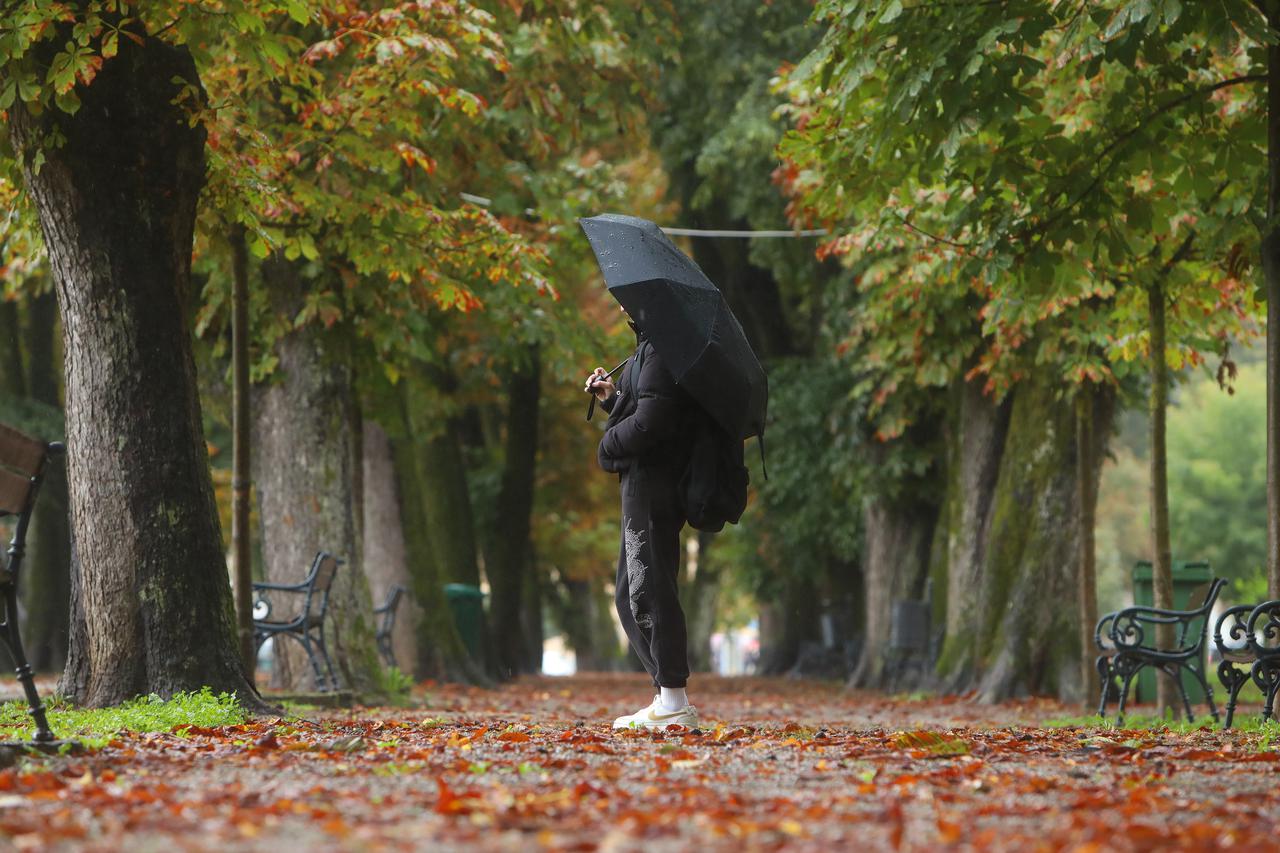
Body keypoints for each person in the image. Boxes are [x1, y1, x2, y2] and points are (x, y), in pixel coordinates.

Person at [585, 322, 698, 730]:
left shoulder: (663, 347)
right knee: (631, 592)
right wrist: (611, 398)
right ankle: (667, 697)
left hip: (653, 485)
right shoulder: (650, 346)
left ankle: (674, 701)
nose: (619, 305)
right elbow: (643, 407)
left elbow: (652, 421)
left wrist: (606, 444)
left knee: (646, 590)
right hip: (644, 484)